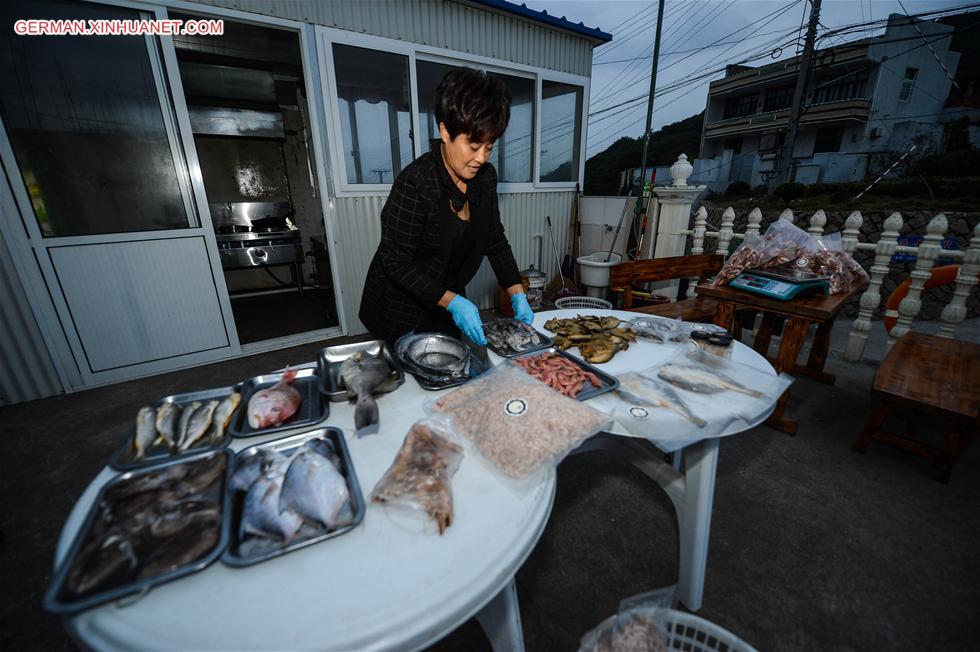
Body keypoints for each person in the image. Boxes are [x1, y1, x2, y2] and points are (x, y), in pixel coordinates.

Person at [359, 68, 533, 346]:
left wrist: (517, 292)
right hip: (401, 306)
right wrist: (454, 303)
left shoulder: (485, 178)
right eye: (474, 145)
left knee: (451, 368)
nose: (481, 158)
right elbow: (396, 263)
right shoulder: (416, 183)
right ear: (445, 131)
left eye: (489, 147)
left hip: (448, 298)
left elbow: (494, 239)